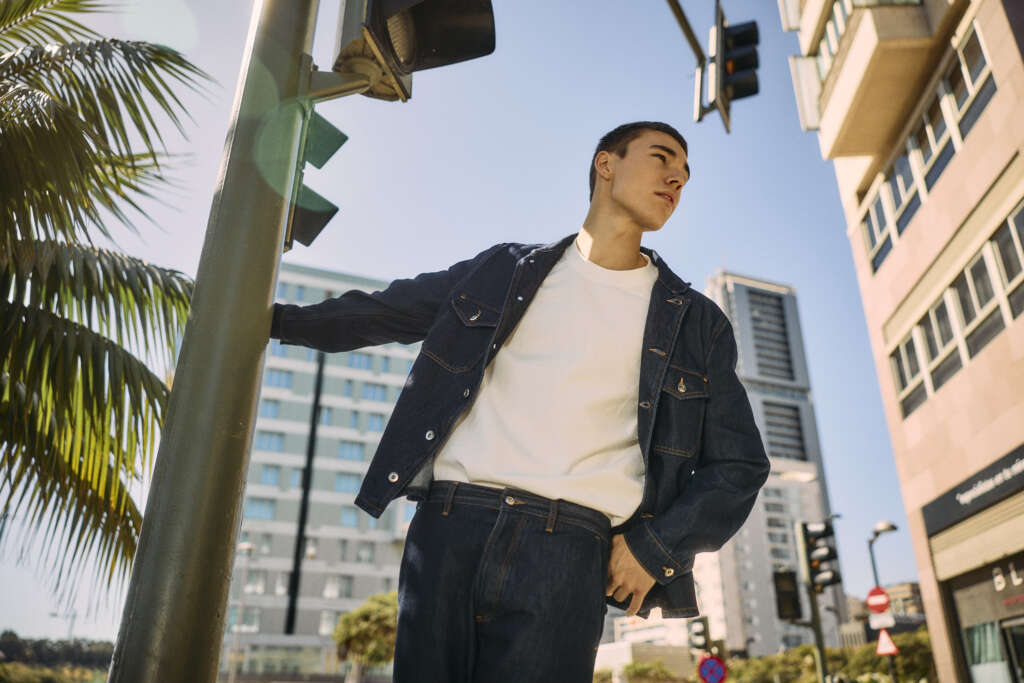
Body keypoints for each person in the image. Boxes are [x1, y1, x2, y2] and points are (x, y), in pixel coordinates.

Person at [269, 121, 770, 682]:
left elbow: (739, 465)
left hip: (570, 552)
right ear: (606, 164)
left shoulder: (696, 323)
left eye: (684, 174)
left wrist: (654, 548)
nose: (677, 177)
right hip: (448, 531)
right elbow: (386, 311)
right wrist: (270, 321)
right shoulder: (504, 271)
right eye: (662, 158)